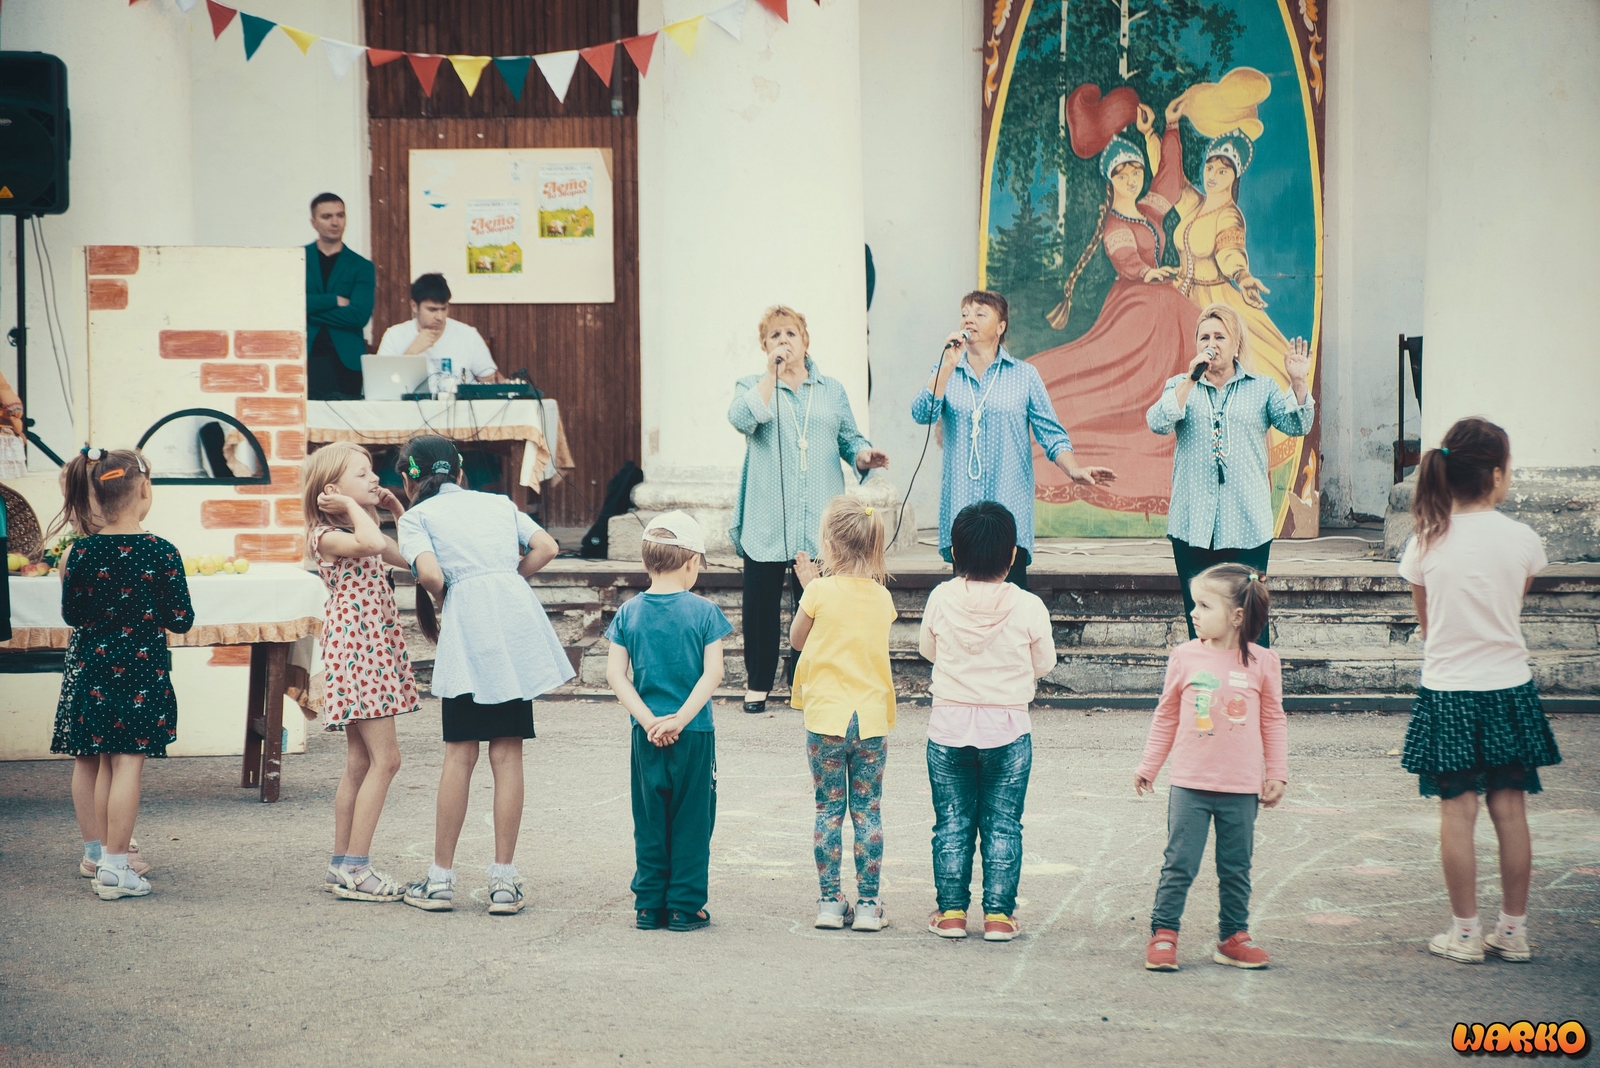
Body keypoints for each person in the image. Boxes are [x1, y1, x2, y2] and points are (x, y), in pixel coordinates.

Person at [1398, 417, 1561, 965]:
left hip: (1448, 690)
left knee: (1457, 811)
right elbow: (1513, 604)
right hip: (1508, 687)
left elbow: (1428, 626)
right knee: (1511, 809)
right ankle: (1513, 931)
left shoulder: (1425, 542)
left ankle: (1465, 935)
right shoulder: (1523, 540)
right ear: (1495, 474)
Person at [395, 435, 572, 915]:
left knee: (459, 754)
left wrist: (449, 592)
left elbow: (432, 575)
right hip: (511, 629)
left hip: (469, 635)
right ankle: (504, 882)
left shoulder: (416, 518)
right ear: (459, 472)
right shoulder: (497, 504)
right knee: (507, 753)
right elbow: (547, 546)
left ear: (409, 478)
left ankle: (440, 880)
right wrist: (508, 577)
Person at [1030, 106, 1201, 525]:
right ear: (1111, 180)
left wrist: (1167, 128)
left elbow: (1170, 181)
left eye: (1136, 171)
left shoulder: (1148, 211)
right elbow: (1124, 257)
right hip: (1136, 302)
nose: (1132, 178)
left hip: (1158, 299)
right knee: (1122, 372)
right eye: (1123, 174)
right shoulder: (1113, 222)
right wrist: (1146, 272)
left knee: (1185, 324)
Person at [48, 447, 194, 900]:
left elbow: (74, 614)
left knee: (96, 761)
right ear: (144, 489)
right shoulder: (163, 551)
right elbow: (181, 619)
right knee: (128, 762)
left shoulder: (77, 553)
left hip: (92, 669)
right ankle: (116, 866)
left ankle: (100, 856)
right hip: (140, 673)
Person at [728, 305, 887, 713]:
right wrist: (772, 374)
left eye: (790, 334)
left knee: (818, 602)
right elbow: (742, 419)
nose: (784, 341)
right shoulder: (752, 385)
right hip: (767, 514)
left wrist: (864, 456)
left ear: (805, 340)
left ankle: (806, 681)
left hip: (819, 517)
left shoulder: (831, 389)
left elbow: (850, 439)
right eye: (775, 336)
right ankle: (758, 683)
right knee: (760, 606)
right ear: (765, 345)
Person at [1134, 563, 1286, 971]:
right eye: (1194, 604)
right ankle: (1164, 933)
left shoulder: (1263, 662)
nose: (1194, 613)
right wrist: (1149, 765)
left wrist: (1276, 772)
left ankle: (1233, 936)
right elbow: (1166, 715)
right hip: (1190, 784)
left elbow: (1273, 719)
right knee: (1179, 863)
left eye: (1204, 605)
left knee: (1236, 868)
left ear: (1236, 616)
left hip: (1241, 787)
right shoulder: (1184, 656)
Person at [911, 290, 1115, 590]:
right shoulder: (947, 371)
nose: (969, 319)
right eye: (965, 313)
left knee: (1011, 600)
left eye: (980, 313)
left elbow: (1051, 433)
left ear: (1001, 326)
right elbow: (921, 414)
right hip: (962, 508)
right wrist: (947, 365)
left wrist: (1073, 470)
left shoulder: (1024, 375)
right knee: (965, 600)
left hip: (1009, 506)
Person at [919, 501, 1055, 942]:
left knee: (951, 823)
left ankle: (951, 913)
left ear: (954, 553)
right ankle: (998, 916)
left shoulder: (940, 598)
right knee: (1004, 823)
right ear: (1013, 555)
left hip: (949, 728)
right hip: (1008, 729)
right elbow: (1044, 663)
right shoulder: (1029, 605)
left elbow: (927, 650)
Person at [1146, 303, 1314, 646]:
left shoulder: (1262, 387)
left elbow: (1297, 424)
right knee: (1202, 621)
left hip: (1247, 524)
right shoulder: (1181, 385)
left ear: (1236, 344)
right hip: (1193, 525)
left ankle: (1251, 677)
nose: (1211, 344)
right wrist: (1191, 380)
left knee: (1249, 620)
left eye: (1220, 337)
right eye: (1205, 337)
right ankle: (1207, 679)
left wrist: (1298, 382)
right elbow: (1157, 422)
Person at [301, 442, 421, 902]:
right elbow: (371, 545)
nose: (374, 479)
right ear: (330, 490)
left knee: (360, 762)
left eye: (372, 472)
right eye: (362, 473)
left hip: (370, 647)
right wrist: (352, 507)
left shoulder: (359, 527)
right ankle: (356, 867)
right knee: (387, 760)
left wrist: (395, 508)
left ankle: (341, 865)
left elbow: (411, 556)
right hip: (359, 651)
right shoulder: (326, 536)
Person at [604, 511, 732, 933]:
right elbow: (713, 674)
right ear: (692, 562)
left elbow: (615, 675)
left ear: (647, 561)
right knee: (692, 819)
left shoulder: (628, 613)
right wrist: (680, 719)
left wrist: (648, 721)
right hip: (693, 733)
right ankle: (684, 906)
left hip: (645, 735)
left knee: (649, 819)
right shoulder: (705, 612)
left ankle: (648, 905)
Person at [789, 496, 898, 932]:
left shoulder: (817, 591)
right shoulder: (882, 597)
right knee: (867, 811)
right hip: (869, 719)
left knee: (828, 810)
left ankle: (831, 903)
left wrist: (809, 586)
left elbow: (798, 640)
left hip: (826, 720)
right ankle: (869, 905)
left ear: (830, 546)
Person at [375, 273, 503, 389]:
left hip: (459, 405)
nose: (440, 317)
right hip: (411, 406)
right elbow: (381, 386)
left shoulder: (468, 335)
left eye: (444, 309)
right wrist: (412, 352)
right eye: (432, 310)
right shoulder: (394, 335)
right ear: (414, 306)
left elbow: (490, 380)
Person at [305, 192, 375, 401]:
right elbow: (286, 304)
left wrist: (307, 312)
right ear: (313, 222)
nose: (335, 222)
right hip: (305, 355)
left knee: (347, 418)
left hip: (346, 361)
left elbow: (358, 316)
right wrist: (333, 300)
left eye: (340, 215)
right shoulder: (297, 258)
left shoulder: (362, 266)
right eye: (326, 216)